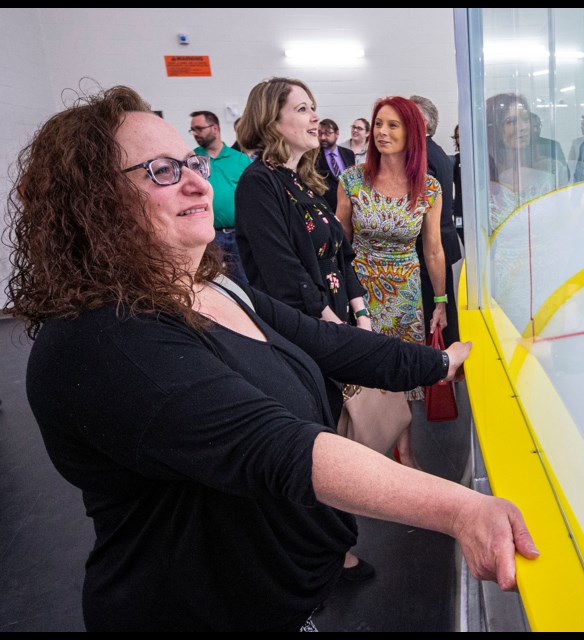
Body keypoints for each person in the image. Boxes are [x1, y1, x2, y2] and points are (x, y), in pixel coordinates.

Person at [2, 84, 538, 632]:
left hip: (278, 602)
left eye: (191, 162)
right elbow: (277, 446)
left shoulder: (213, 286)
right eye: (162, 170)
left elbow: (325, 342)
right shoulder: (103, 341)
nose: (197, 181)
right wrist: (462, 509)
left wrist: (435, 363)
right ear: (92, 201)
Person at [234, 78, 374, 581]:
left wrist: (360, 308)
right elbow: (281, 271)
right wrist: (329, 321)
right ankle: (328, 554)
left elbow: (339, 252)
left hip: (333, 323)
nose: (315, 117)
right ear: (272, 120)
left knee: (335, 432)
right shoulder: (259, 182)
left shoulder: (304, 181)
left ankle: (334, 545)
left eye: (314, 107)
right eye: (302, 108)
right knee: (318, 441)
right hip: (304, 331)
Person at [336, 96, 446, 469]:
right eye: (378, 124)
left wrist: (441, 302)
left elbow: (433, 251)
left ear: (412, 133)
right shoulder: (351, 180)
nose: (381, 132)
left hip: (406, 292)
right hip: (361, 288)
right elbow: (339, 242)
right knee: (364, 368)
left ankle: (405, 448)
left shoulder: (428, 188)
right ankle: (364, 448)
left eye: (392, 125)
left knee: (401, 373)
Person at [409, 94, 462, 347]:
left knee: (435, 311)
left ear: (424, 122)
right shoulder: (434, 151)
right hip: (440, 240)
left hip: (431, 244)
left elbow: (420, 207)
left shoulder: (423, 155)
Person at [486, 92, 569, 229]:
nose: (522, 127)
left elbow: (565, 221)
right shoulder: (483, 177)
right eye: (511, 121)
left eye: (526, 119)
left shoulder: (552, 171)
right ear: (495, 128)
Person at [189, 110, 253, 285]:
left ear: (215, 128)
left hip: (239, 233)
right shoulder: (192, 159)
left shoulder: (240, 159)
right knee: (211, 283)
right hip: (209, 235)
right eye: (193, 130)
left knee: (244, 281)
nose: (196, 134)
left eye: (199, 129)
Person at [315, 118, 355, 211]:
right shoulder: (314, 157)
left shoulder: (349, 154)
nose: (323, 137)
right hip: (327, 208)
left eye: (327, 133)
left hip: (348, 206)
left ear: (337, 134)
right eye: (320, 133)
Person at [529, 112, 568, 183]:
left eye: (538, 126)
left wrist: (548, 163)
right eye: (533, 126)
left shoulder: (552, 145)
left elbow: (565, 172)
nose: (536, 130)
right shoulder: (518, 149)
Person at [451, 124, 464, 243]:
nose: (461, 139)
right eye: (458, 136)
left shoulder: (485, 158)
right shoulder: (455, 161)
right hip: (460, 213)